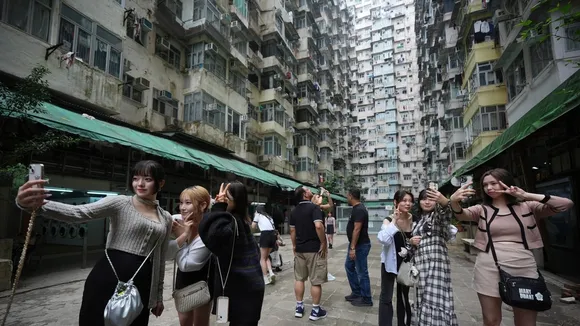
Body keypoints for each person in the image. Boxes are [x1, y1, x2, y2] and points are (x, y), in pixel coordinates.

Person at [15, 160, 171, 325]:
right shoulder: (120, 202)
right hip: (108, 277)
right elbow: (79, 212)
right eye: (135, 178)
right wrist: (35, 206)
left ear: (160, 183)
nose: (139, 183)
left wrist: (158, 297)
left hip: (142, 282)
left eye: (147, 179)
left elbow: (160, 259)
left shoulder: (165, 217)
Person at [450, 168, 574, 326]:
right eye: (485, 185)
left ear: (506, 183)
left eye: (493, 183)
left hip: (524, 266)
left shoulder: (527, 206)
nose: (489, 188)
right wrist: (454, 201)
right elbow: (461, 214)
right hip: (488, 267)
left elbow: (565, 204)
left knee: (526, 322)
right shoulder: (482, 210)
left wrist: (526, 195)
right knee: (491, 321)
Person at [198, 182, 264, 326]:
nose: (222, 200)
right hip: (250, 288)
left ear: (236, 201)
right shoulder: (241, 220)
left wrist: (218, 207)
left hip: (242, 290)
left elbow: (212, 237)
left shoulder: (231, 222)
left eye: (226, 198)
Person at [166, 186, 213, 326]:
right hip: (183, 281)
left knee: (201, 322)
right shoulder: (177, 222)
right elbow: (167, 254)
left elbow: (187, 264)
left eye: (188, 203)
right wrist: (184, 235)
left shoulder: (208, 230)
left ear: (203, 205)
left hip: (203, 281)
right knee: (184, 320)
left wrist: (182, 237)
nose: (182, 208)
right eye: (181, 202)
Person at [412, 189, 458, 326]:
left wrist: (444, 202)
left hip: (436, 265)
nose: (427, 202)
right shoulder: (419, 220)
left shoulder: (436, 217)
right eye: (423, 199)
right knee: (422, 297)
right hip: (421, 265)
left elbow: (445, 215)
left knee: (436, 298)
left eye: (430, 199)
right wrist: (411, 241)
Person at [377, 190, 419, 326]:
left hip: (407, 264)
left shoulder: (415, 219)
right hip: (390, 264)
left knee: (404, 297)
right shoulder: (389, 220)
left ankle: (404, 323)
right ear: (396, 202)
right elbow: (383, 239)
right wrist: (395, 221)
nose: (408, 203)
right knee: (386, 297)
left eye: (410, 201)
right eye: (404, 200)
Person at [289, 186, 328, 321]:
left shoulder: (293, 211)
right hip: (314, 249)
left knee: (299, 278)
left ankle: (299, 307)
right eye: (308, 189)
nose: (311, 191)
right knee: (315, 280)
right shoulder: (314, 208)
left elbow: (292, 231)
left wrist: (294, 245)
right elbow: (318, 226)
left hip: (299, 249)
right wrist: (323, 242)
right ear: (305, 194)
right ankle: (316, 311)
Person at [344, 188, 373, 307]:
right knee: (349, 266)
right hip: (355, 245)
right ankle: (356, 292)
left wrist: (352, 248)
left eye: (347, 196)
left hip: (360, 245)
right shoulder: (356, 209)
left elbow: (357, 229)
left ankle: (366, 298)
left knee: (362, 272)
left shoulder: (359, 209)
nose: (347, 198)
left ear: (351, 196)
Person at [252, 205, 277, 284]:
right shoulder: (269, 217)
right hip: (273, 235)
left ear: (257, 210)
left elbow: (253, 226)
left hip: (265, 235)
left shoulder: (257, 215)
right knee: (266, 256)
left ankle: (265, 278)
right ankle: (271, 272)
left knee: (262, 258)